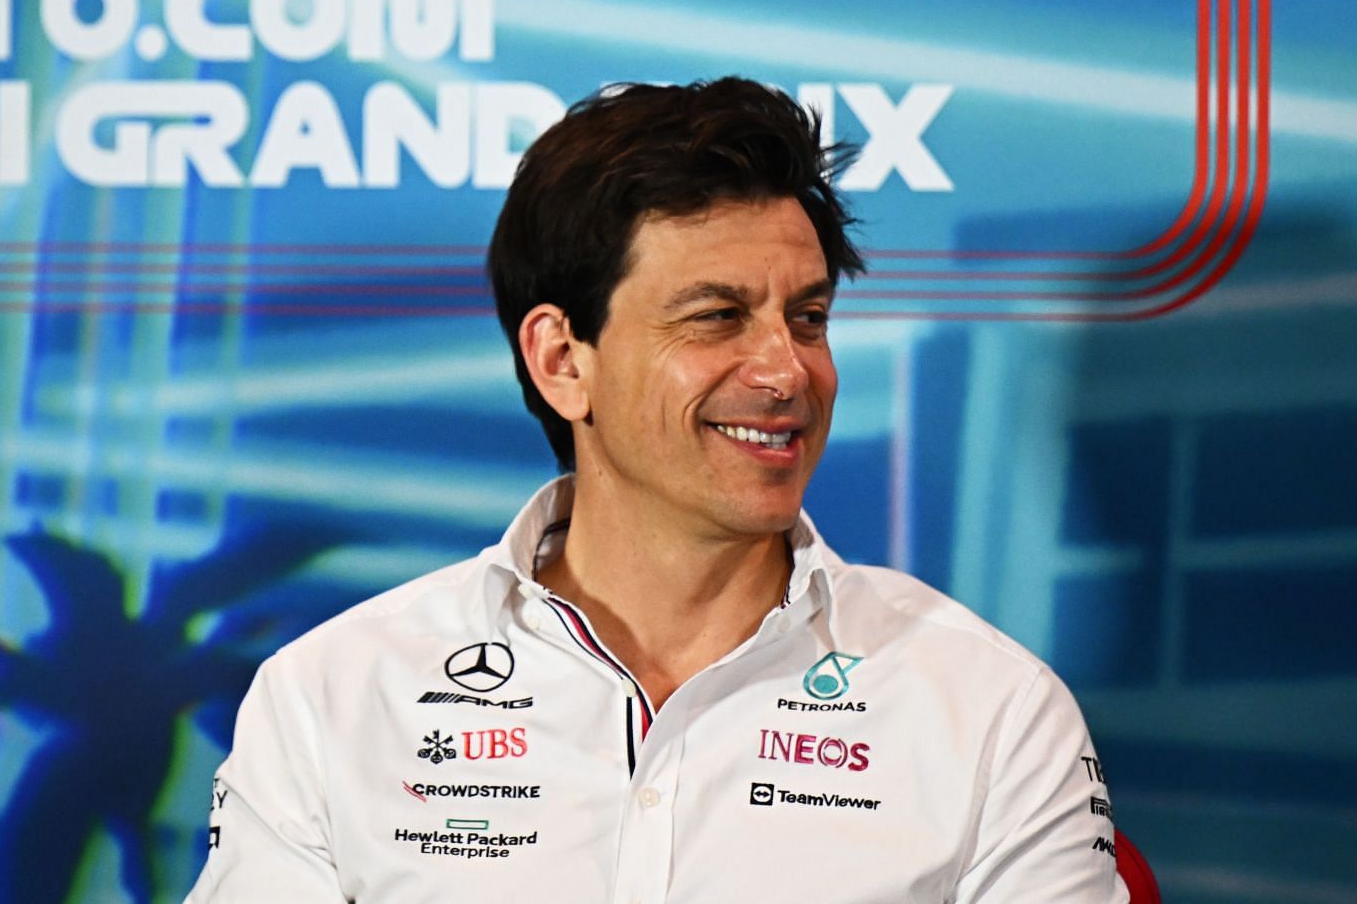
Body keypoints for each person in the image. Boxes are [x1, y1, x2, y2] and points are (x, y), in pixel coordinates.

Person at [185, 79, 1124, 903]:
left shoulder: (992, 711)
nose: (786, 369)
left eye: (808, 317)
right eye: (718, 317)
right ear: (562, 361)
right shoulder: (334, 699)